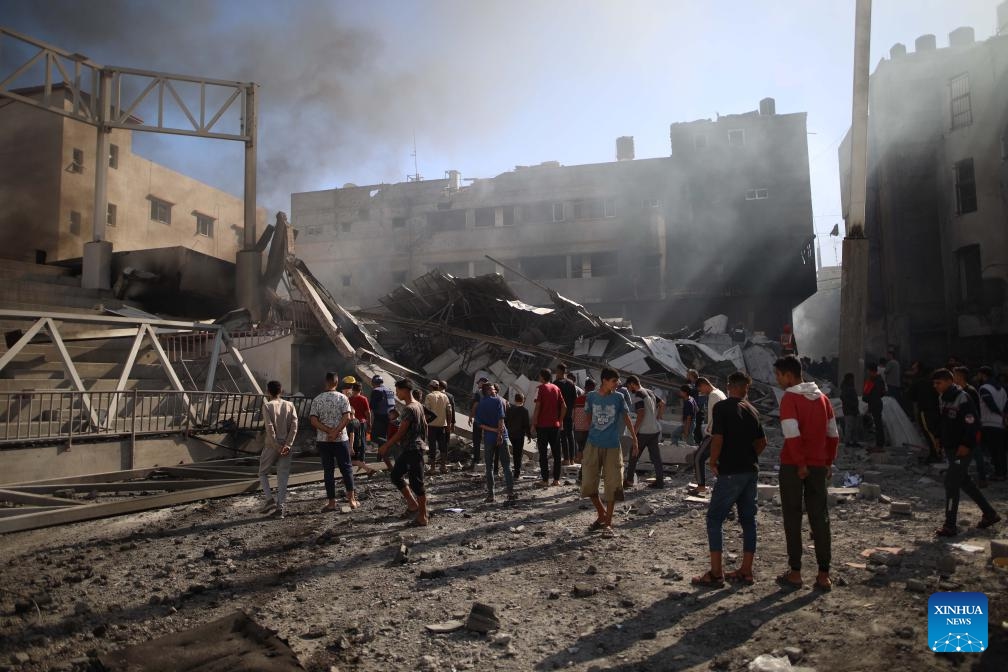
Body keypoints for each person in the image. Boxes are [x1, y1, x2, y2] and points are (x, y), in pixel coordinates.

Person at [692, 371, 767, 587]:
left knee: (715, 519)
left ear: (729, 386)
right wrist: (748, 456)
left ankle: (716, 573)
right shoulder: (752, 410)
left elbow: (718, 438)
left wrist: (714, 462)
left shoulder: (721, 407)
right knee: (748, 520)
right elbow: (762, 442)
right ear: (746, 388)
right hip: (750, 471)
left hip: (730, 472)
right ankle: (746, 570)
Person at [774, 355, 838, 591]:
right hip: (819, 465)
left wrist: (800, 463)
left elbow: (792, 434)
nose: (778, 380)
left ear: (789, 375)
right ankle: (823, 574)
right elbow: (833, 434)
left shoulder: (790, 398)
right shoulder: (823, 398)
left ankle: (796, 572)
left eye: (778, 375)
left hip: (794, 465)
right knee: (819, 517)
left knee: (792, 516)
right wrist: (828, 461)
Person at [931, 369, 1001, 536]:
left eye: (938, 383)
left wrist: (966, 444)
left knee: (951, 484)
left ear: (949, 381)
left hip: (962, 449)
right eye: (934, 383)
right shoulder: (943, 398)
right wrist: (939, 438)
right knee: (964, 482)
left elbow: (972, 424)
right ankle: (990, 514)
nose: (936, 386)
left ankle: (950, 525)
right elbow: (944, 421)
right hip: (950, 448)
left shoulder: (963, 398)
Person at [581, 367, 638, 534]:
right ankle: (602, 514)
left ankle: (608, 523)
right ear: (605, 380)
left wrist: (635, 439)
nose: (617, 384)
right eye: (614, 381)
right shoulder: (591, 397)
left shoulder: (619, 397)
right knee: (589, 484)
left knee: (613, 485)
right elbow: (589, 418)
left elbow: (627, 418)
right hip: (593, 444)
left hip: (612, 445)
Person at [378, 379, 429, 526]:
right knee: (395, 475)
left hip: (413, 449)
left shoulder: (409, 409)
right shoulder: (418, 405)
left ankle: (423, 516)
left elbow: (401, 432)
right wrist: (424, 442)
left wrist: (386, 446)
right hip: (411, 448)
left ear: (405, 390)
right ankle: (413, 505)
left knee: (417, 483)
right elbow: (425, 425)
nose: (396, 393)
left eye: (398, 390)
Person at [310, 372, 358, 511]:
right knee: (347, 469)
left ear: (325, 383)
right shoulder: (343, 398)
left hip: (324, 441)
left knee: (328, 471)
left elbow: (313, 420)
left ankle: (331, 503)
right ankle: (352, 500)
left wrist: (328, 431)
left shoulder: (317, 399)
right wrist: (336, 431)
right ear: (337, 383)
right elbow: (348, 418)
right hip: (341, 439)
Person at [259, 380, 299, 518]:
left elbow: (269, 428)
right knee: (283, 477)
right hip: (287, 446)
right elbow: (294, 427)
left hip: (272, 445)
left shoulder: (267, 406)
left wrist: (276, 446)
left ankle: (269, 499)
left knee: (263, 473)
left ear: (268, 392)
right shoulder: (290, 405)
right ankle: (280, 508)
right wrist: (288, 445)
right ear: (281, 391)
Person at [623, 375, 667, 489]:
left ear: (633, 384)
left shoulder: (638, 394)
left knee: (634, 455)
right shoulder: (650, 392)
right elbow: (662, 403)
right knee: (656, 458)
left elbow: (641, 414)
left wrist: (634, 432)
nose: (629, 389)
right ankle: (660, 482)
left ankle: (629, 481)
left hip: (643, 431)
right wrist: (657, 417)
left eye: (629, 386)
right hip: (654, 429)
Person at [476, 381, 516, 502]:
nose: (495, 391)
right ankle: (510, 492)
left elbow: (480, 424)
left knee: (489, 467)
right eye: (492, 389)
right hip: (501, 437)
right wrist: (498, 433)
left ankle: (491, 495)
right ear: (487, 391)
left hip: (489, 438)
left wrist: (493, 430)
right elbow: (501, 419)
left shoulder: (481, 404)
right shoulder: (498, 400)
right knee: (506, 466)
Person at [689, 377, 726, 495]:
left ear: (705, 385)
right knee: (719, 462)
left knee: (698, 457)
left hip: (714, 433)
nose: (701, 392)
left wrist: (710, 430)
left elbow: (716, 416)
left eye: (700, 389)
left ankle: (701, 486)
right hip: (721, 433)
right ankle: (722, 487)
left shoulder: (714, 395)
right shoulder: (720, 393)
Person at [532, 368, 566, 487]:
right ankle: (556, 480)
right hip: (555, 426)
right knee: (557, 453)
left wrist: (533, 423)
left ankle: (545, 480)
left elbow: (537, 407)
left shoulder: (539, 388)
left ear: (542, 377)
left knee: (543, 454)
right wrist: (560, 421)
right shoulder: (556, 388)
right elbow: (564, 407)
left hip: (542, 426)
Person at [953, 366, 986, 487]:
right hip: (962, 428)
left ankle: (982, 478)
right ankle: (961, 476)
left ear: (960, 376)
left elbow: (972, 413)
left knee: (977, 453)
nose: (953, 377)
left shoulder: (970, 391)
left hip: (972, 428)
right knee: (959, 454)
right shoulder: (958, 390)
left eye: (954, 374)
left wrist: (971, 427)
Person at [977, 366, 1007, 482]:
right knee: (1001, 450)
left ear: (983, 375)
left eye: (979, 374)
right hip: (1001, 423)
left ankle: (999, 474)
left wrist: (999, 413)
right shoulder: (1002, 389)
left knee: (994, 451)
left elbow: (990, 404)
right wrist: (1003, 415)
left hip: (989, 422)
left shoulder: (984, 388)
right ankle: (1003, 473)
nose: (977, 377)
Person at [344, 378, 377, 476]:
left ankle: (354, 461)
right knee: (361, 441)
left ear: (353, 389)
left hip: (351, 422)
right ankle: (361, 460)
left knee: (352, 439)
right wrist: (370, 424)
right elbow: (367, 413)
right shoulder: (363, 399)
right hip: (361, 423)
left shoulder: (349, 399)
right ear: (360, 390)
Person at [424, 380, 451, 475]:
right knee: (443, 447)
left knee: (432, 447)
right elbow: (449, 411)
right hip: (442, 426)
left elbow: (427, 412)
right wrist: (448, 425)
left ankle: (432, 468)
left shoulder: (429, 396)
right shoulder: (445, 396)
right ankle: (443, 467)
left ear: (431, 387)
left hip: (431, 426)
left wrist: (425, 423)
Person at [555, 363, 579, 466]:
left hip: (560, 414)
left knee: (563, 436)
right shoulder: (571, 383)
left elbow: (555, 400)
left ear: (559, 371)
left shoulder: (556, 383)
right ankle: (572, 459)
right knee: (570, 435)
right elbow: (575, 400)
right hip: (569, 413)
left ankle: (566, 459)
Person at [505, 392, 532, 479]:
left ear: (515, 399)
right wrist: (528, 435)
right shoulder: (524, 411)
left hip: (511, 434)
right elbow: (526, 424)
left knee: (514, 452)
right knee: (518, 453)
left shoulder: (509, 409)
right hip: (519, 435)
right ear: (523, 400)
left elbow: (505, 422)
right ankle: (517, 473)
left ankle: (513, 470)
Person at [861, 364, 886, 453]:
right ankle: (880, 444)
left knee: (877, 425)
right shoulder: (880, 380)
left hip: (874, 404)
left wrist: (869, 398)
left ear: (871, 371)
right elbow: (883, 393)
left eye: (868, 371)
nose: (868, 373)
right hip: (878, 403)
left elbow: (865, 396)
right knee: (878, 425)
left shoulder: (871, 381)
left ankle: (879, 445)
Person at [468, 377, 491, 472]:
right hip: (489, 420)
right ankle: (488, 460)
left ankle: (476, 459)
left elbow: (475, 405)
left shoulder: (479, 392)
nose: (478, 384)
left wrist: (471, 416)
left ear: (483, 383)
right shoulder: (492, 393)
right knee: (488, 440)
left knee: (476, 439)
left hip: (479, 419)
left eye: (479, 383)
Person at [572, 379, 596, 462]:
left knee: (580, 448)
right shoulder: (593, 399)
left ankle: (580, 465)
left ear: (585, 388)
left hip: (577, 428)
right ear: (593, 388)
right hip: (588, 429)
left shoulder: (578, 399)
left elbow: (573, 414)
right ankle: (584, 469)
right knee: (587, 450)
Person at [369, 374, 396, 448]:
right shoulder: (389, 390)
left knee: (374, 437)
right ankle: (380, 457)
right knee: (383, 436)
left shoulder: (376, 391)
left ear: (373, 383)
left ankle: (391, 444)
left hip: (379, 418)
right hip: (390, 418)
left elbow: (372, 406)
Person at [839, 373, 861, 447]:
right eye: (852, 379)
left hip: (852, 410)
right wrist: (853, 406)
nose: (853, 380)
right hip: (849, 410)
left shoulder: (849, 387)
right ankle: (847, 441)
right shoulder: (846, 388)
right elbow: (845, 400)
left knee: (854, 427)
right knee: (849, 426)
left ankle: (854, 441)